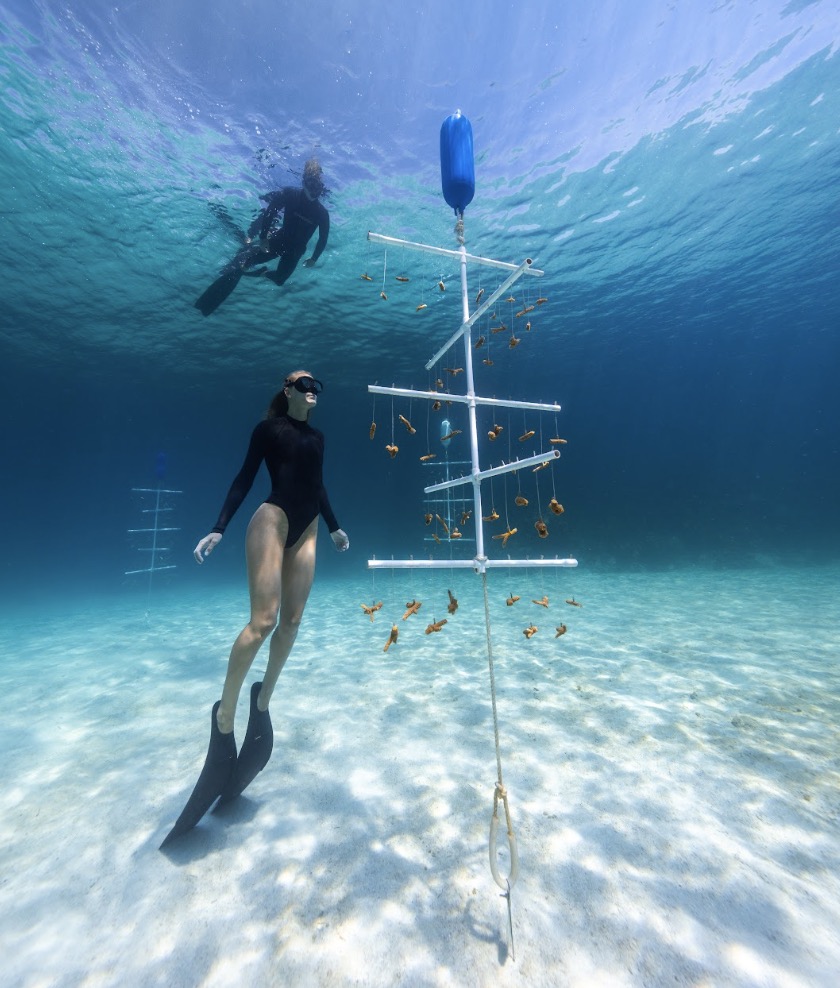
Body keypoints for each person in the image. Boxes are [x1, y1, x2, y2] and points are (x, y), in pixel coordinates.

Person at [161, 370, 349, 847]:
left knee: (291, 622)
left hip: (306, 529)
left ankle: (261, 702)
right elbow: (245, 476)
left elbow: (319, 485)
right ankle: (224, 716)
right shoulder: (270, 429)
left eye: (317, 384)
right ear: (287, 390)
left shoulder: (319, 437)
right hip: (273, 519)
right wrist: (219, 527)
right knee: (263, 621)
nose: (313, 388)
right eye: (304, 382)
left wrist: (333, 527)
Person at [194, 158, 330, 316]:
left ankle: (261, 273)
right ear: (304, 182)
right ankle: (243, 267)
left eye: (318, 185)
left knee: (279, 280)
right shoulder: (290, 194)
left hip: (296, 251)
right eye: (311, 183)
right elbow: (270, 212)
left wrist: (314, 258)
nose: (314, 189)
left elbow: (323, 238)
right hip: (278, 240)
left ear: (322, 188)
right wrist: (264, 237)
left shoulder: (322, 213)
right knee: (246, 262)